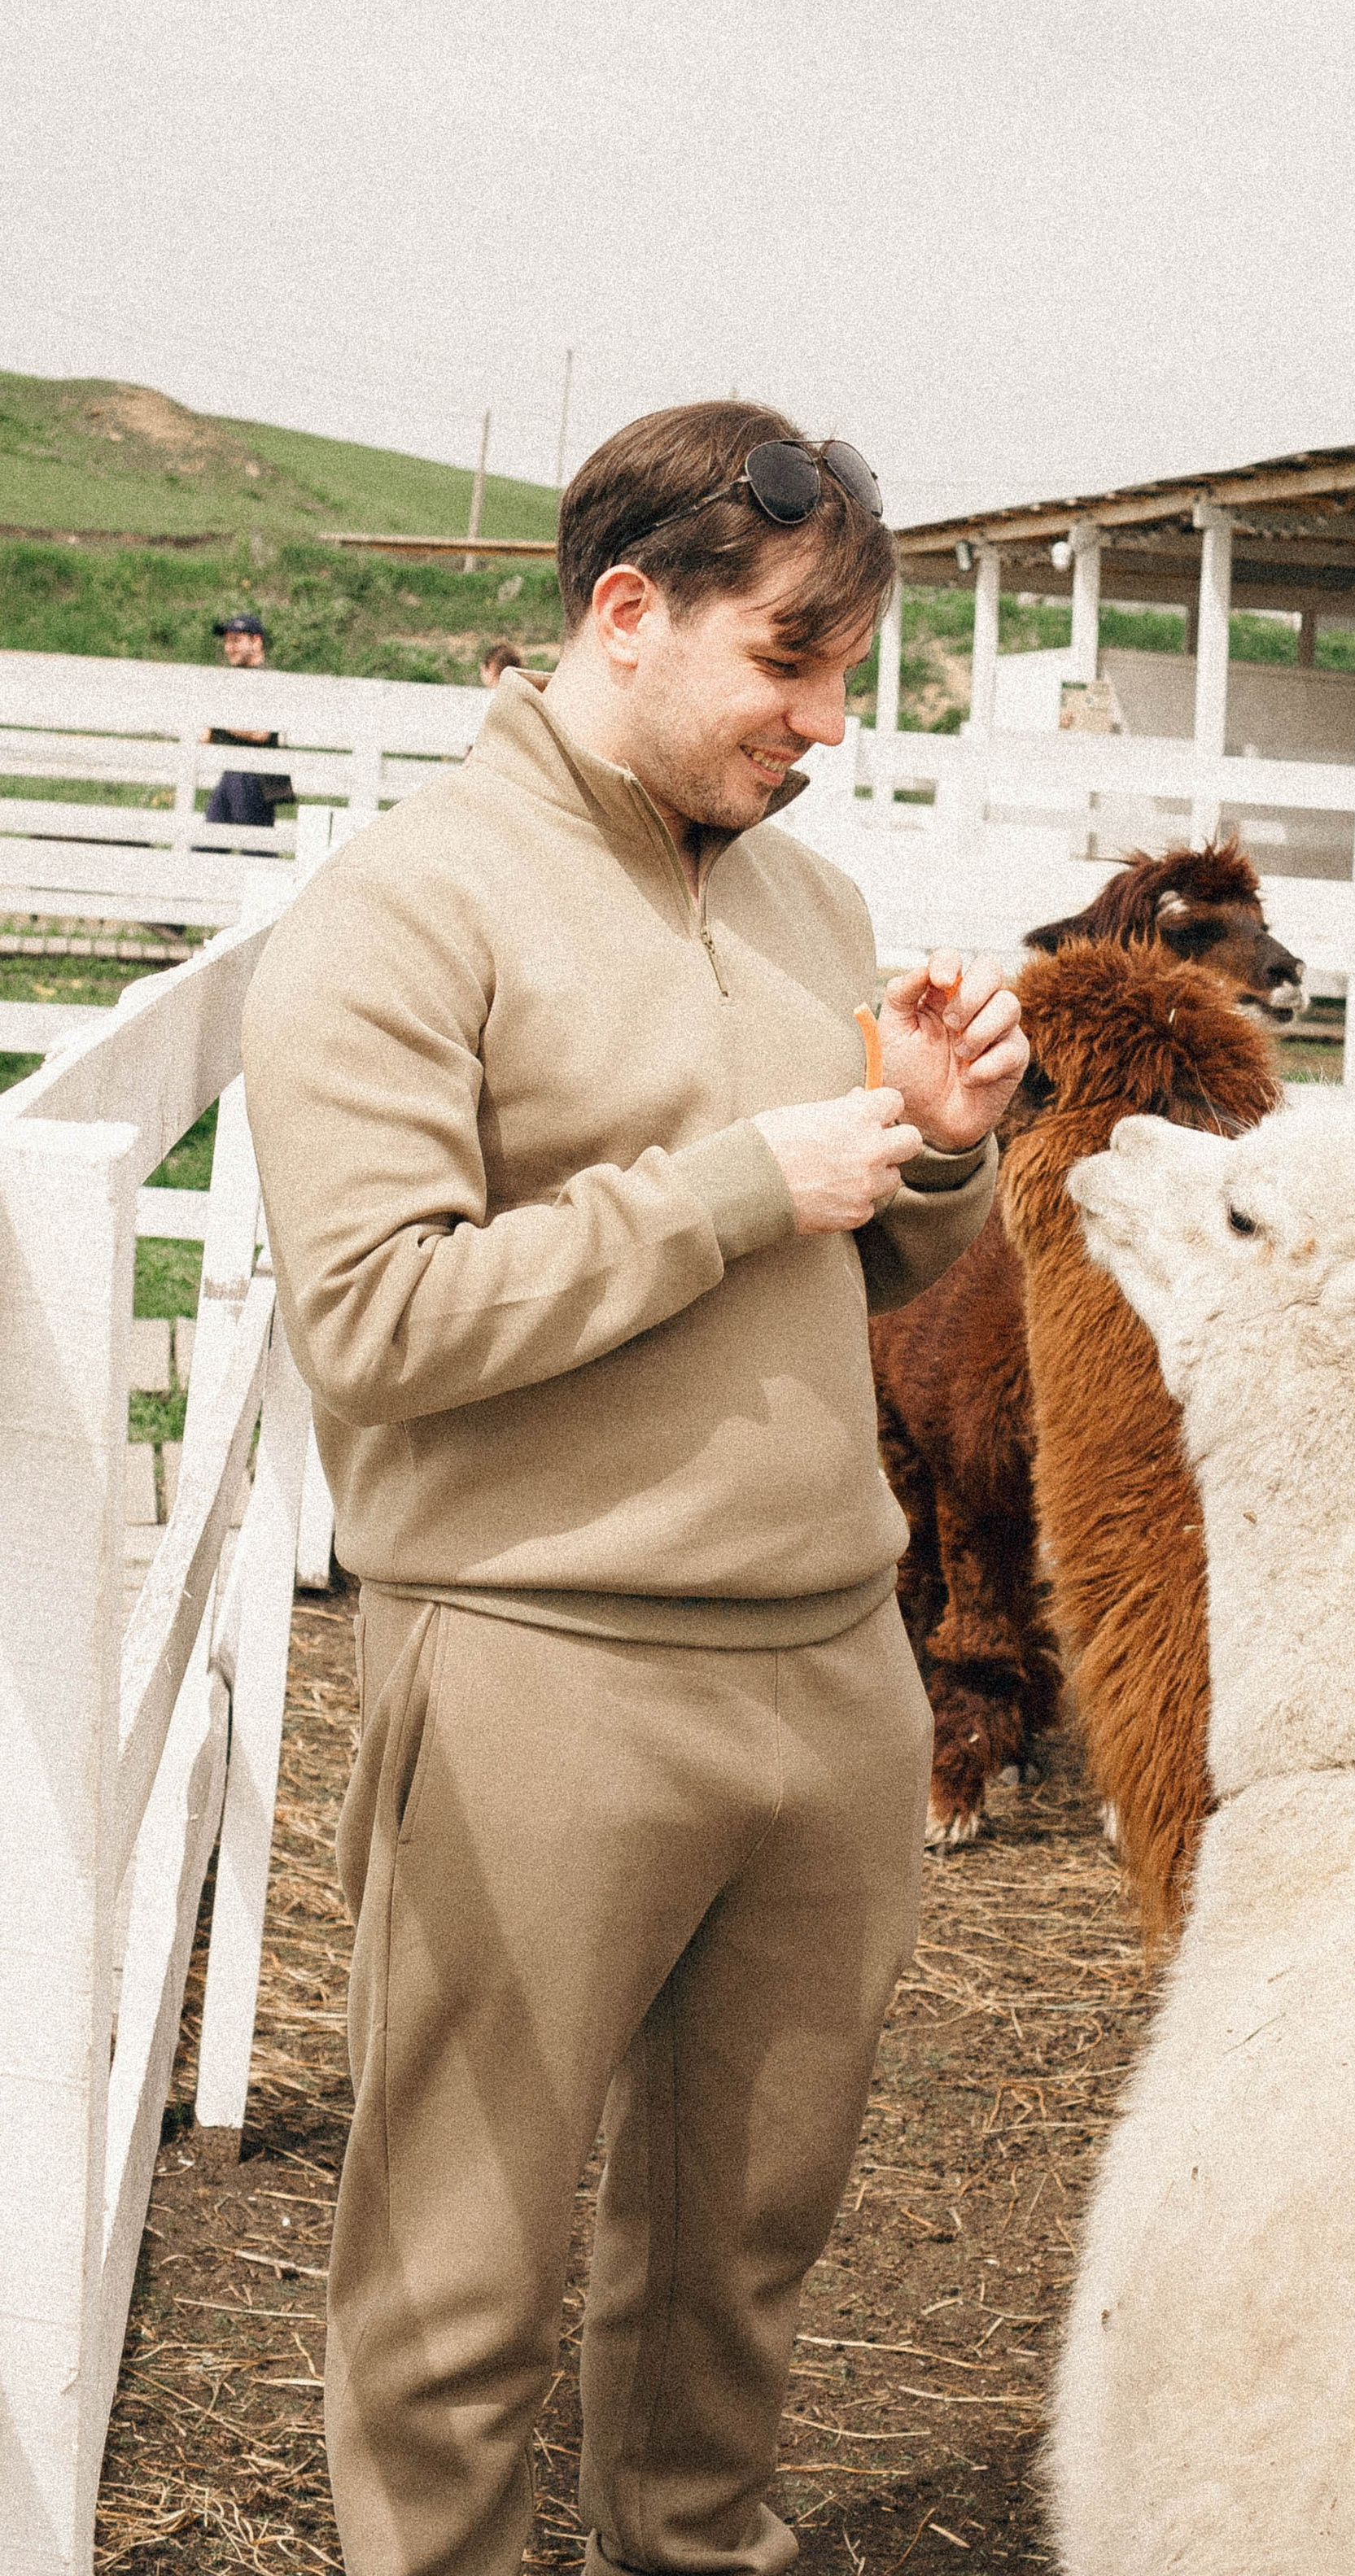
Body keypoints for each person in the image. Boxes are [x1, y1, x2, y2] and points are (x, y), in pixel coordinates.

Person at [241, 401, 1027, 2576]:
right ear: (626, 612)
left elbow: (871, 1249)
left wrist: (939, 1145)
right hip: (543, 1668)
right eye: (791, 660)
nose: (826, 723)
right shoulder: (403, 915)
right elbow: (379, 1325)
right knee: (459, 2286)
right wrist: (728, 1188)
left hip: (827, 1667)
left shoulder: (808, 895)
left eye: (845, 674)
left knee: (742, 2268)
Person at [203, 609, 294, 832]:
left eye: (236, 640)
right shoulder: (238, 681)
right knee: (209, 843)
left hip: (255, 775)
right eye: (227, 642)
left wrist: (218, 723)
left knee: (254, 847)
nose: (228, 648)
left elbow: (260, 733)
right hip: (234, 770)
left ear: (256, 642)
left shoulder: (268, 680)